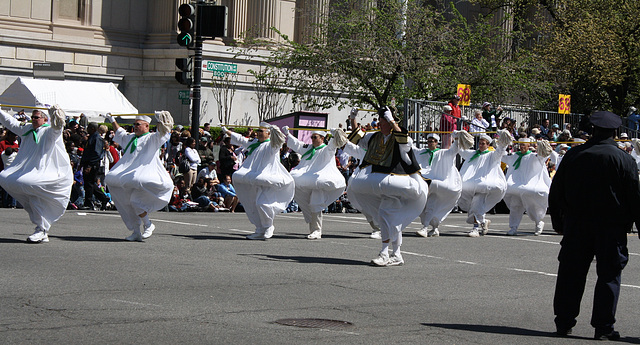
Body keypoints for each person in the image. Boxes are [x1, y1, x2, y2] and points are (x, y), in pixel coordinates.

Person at [550, 110, 640, 340]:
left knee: (571, 273)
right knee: (609, 276)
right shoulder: (624, 159)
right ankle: (603, 327)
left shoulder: (573, 155)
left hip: (577, 224)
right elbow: (634, 197)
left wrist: (558, 221)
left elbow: (557, 189)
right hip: (611, 226)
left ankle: (564, 322)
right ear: (616, 132)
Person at [347, 106, 428, 266]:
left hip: (397, 183)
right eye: (381, 120)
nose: (381, 123)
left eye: (384, 121)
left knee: (386, 216)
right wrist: (352, 118)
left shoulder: (401, 137)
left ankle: (385, 253)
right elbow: (357, 138)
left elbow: (405, 142)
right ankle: (396, 254)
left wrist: (391, 120)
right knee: (391, 219)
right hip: (381, 185)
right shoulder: (374, 137)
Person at [0, 106, 73, 243]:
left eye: (36, 117)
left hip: (44, 174)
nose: (33, 120)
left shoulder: (49, 131)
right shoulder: (27, 129)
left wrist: (56, 114)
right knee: (6, 179)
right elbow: (10, 122)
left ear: (45, 119)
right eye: (32, 117)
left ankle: (42, 229)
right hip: (29, 173)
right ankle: (41, 229)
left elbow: (58, 126)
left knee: (29, 185)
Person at [104, 112, 174, 241]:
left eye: (138, 124)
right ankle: (136, 232)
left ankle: (148, 224)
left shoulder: (152, 138)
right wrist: (111, 119)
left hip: (144, 174)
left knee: (136, 201)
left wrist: (161, 119)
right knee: (128, 203)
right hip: (128, 177)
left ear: (147, 126)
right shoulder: (131, 138)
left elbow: (164, 131)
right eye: (134, 124)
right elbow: (120, 132)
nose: (135, 127)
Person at [221, 122, 294, 239]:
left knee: (262, 203)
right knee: (254, 204)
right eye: (258, 131)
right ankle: (260, 229)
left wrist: (276, 130)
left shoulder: (272, 144)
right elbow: (241, 139)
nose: (258, 133)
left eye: (261, 131)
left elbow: (280, 140)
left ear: (268, 133)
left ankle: (269, 226)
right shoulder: (254, 143)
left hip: (267, 178)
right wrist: (226, 131)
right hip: (254, 179)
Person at [283, 127, 348, 239]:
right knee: (308, 204)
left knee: (315, 204)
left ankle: (317, 230)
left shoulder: (327, 149)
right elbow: (298, 145)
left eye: (315, 137)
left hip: (319, 182)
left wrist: (334, 134)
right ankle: (313, 229)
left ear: (322, 138)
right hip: (307, 181)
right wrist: (288, 134)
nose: (312, 139)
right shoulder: (309, 148)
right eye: (311, 137)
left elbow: (335, 143)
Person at [414, 131, 474, 238]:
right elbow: (410, 148)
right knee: (425, 206)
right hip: (427, 183)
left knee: (430, 205)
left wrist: (456, 139)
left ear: (437, 142)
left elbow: (453, 150)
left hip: (438, 184)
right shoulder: (421, 152)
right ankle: (434, 228)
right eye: (429, 141)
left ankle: (425, 228)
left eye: (433, 141)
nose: (430, 143)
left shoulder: (443, 152)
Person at [458, 130, 512, 237]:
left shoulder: (492, 155)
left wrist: (503, 140)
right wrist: (457, 138)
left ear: (488, 145)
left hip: (484, 185)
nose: (481, 145)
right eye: (480, 143)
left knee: (477, 203)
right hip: (471, 185)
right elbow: (461, 151)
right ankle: (483, 221)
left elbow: (500, 151)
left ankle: (475, 228)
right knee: (473, 205)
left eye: (483, 143)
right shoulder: (473, 154)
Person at [501, 137, 552, 236]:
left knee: (532, 206)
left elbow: (543, 157)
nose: (521, 147)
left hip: (528, 185)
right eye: (520, 145)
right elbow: (503, 157)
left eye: (523, 145)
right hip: (516, 185)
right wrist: (502, 146)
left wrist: (542, 146)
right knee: (515, 205)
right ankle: (513, 227)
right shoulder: (515, 155)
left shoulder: (534, 156)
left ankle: (538, 222)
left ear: (529, 146)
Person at [80, 122, 110, 210]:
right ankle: (103, 198)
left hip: (92, 164)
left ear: (93, 128)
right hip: (88, 163)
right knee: (90, 184)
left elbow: (96, 154)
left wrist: (90, 165)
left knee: (89, 184)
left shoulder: (97, 138)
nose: (87, 129)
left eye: (89, 127)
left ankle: (88, 203)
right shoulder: (92, 137)